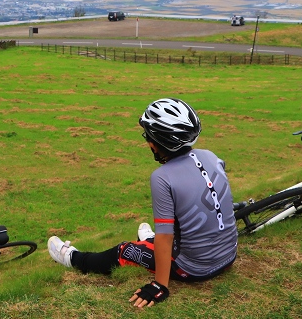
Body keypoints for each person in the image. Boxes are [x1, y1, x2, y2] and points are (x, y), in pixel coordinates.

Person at [48, 98, 238, 308]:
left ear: (154, 142)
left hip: (194, 269)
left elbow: (165, 237)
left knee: (123, 251)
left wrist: (160, 286)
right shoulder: (211, 156)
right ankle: (148, 241)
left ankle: (72, 258)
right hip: (229, 257)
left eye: (148, 136)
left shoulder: (162, 177)